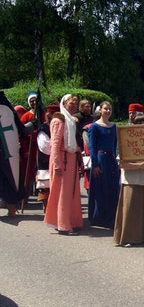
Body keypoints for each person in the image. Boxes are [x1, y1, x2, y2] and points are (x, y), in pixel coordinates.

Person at [114, 112, 144, 246]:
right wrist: (139, 165)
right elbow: (122, 165)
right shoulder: (126, 142)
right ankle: (128, 238)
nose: (142, 125)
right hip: (131, 181)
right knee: (131, 210)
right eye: (139, 122)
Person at [44, 94, 83, 235]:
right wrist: (57, 164)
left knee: (72, 193)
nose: (73, 105)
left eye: (75, 103)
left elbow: (72, 142)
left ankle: (72, 221)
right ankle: (63, 225)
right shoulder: (58, 121)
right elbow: (54, 144)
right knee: (63, 193)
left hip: (71, 159)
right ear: (64, 104)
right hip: (62, 159)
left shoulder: (71, 120)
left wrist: (78, 152)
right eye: (71, 103)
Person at [87, 101, 120, 228]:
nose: (108, 111)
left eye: (110, 109)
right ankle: (98, 217)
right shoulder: (94, 127)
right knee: (100, 188)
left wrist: (115, 162)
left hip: (111, 160)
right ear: (100, 110)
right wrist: (95, 165)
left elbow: (114, 145)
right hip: (100, 159)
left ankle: (110, 217)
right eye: (105, 109)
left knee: (111, 189)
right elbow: (92, 147)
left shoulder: (113, 127)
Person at [0, 91, 33, 217]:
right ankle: (11, 209)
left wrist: (27, 128)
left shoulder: (4, 104)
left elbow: (17, 126)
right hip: (4, 151)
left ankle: (12, 209)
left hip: (6, 152)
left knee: (9, 179)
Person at [35, 105, 58, 212]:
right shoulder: (43, 128)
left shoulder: (62, 126)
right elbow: (44, 146)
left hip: (58, 160)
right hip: (46, 160)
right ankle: (47, 207)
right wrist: (57, 148)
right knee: (45, 185)